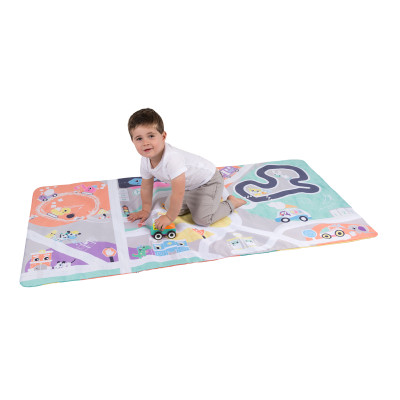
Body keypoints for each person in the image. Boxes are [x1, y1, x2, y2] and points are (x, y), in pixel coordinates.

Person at [127, 108, 246, 229]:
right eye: (139, 138)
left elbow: (178, 193)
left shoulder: (172, 159)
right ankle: (202, 201)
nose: (145, 143)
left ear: (163, 136)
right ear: (132, 141)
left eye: (151, 136)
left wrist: (169, 218)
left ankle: (232, 203)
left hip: (209, 181)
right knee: (169, 206)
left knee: (202, 219)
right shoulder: (145, 159)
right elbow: (146, 186)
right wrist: (145, 210)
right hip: (190, 186)